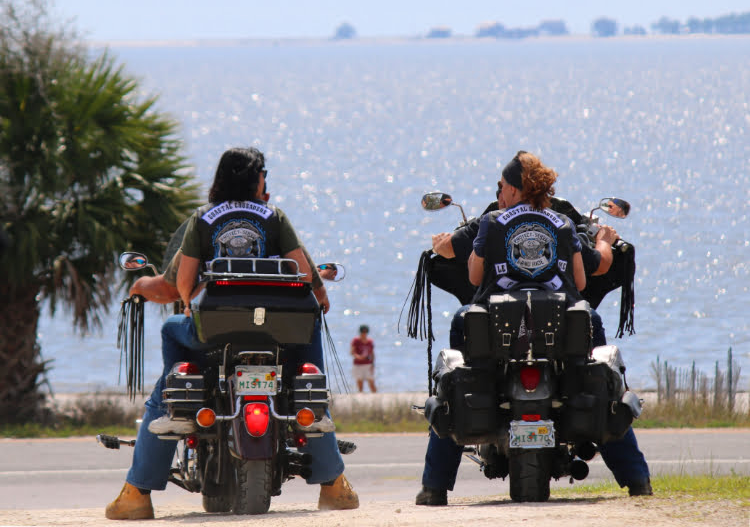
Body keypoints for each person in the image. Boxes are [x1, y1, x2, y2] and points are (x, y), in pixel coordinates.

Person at [106, 147, 358, 520]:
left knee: (172, 335)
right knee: (308, 382)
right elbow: (306, 276)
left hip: (216, 334)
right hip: (276, 336)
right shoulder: (275, 217)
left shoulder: (203, 219)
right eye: (263, 177)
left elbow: (184, 284)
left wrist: (190, 306)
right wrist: (320, 298)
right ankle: (333, 485)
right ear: (257, 181)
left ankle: (139, 491)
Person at [416, 151, 651, 506]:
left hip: (496, 331)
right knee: (604, 379)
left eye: (502, 186)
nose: (500, 192)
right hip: (562, 332)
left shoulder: (492, 222)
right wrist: (603, 241)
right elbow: (583, 279)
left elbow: (475, 277)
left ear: (512, 188)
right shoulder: (563, 223)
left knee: (454, 379)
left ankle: (434, 487)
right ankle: (637, 480)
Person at [350, 325, 376, 393]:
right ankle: (361, 396)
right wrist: (359, 357)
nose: (364, 334)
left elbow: (372, 354)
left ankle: (375, 397)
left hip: (368, 364)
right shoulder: (356, 340)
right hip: (358, 365)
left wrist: (373, 365)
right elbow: (352, 352)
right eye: (363, 332)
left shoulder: (370, 341)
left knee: (371, 382)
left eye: (365, 332)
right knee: (360, 383)